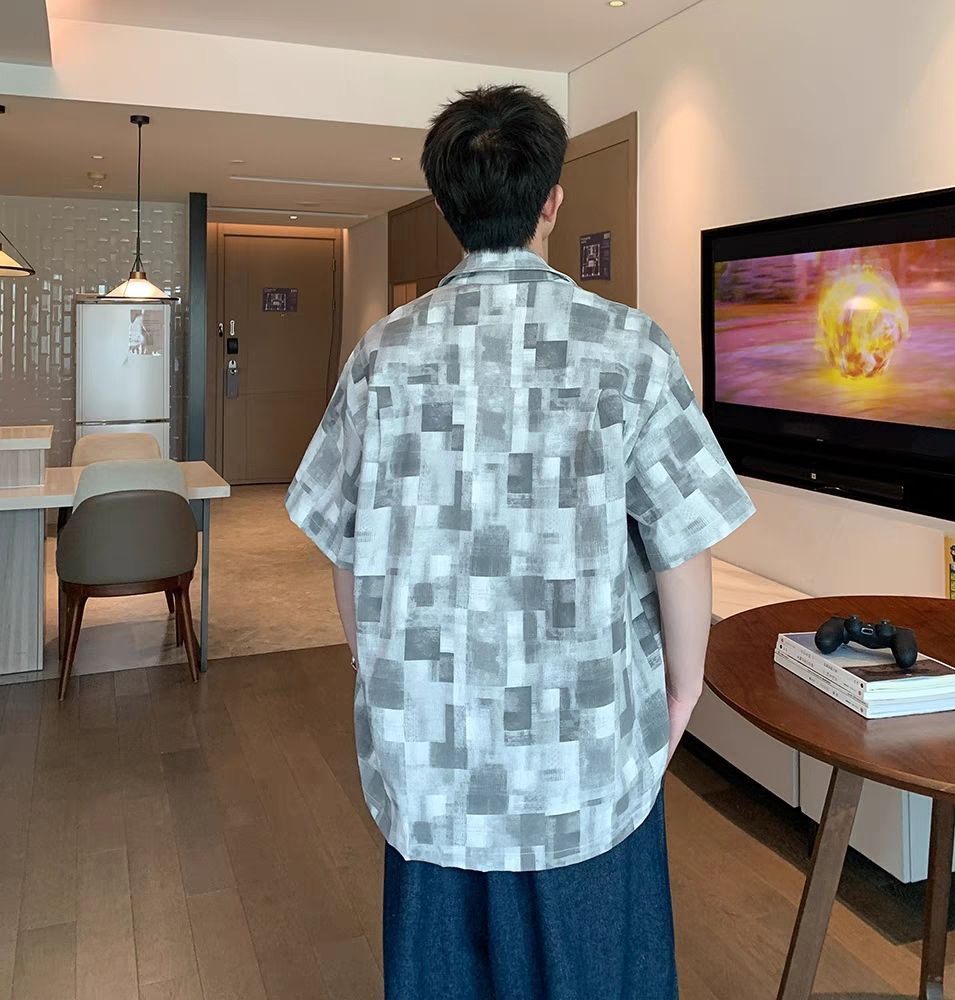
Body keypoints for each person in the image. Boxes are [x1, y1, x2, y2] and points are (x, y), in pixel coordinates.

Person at [287, 84, 755, 1000]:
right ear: (552, 201)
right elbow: (682, 543)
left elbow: (345, 547)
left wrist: (372, 664)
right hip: (584, 756)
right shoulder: (629, 348)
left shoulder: (382, 354)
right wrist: (685, 686)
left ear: (447, 207)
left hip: (431, 758)